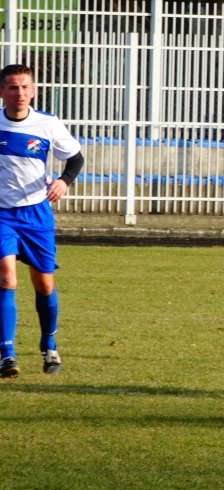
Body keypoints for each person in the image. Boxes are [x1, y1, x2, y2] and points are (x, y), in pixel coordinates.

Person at [0, 64, 85, 378]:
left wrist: (64, 181)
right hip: (2, 215)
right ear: (1, 92)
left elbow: (75, 157)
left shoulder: (47, 124)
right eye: (12, 87)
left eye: (24, 86)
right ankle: (6, 354)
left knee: (44, 284)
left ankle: (49, 345)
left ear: (33, 90)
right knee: (6, 277)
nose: (19, 93)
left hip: (36, 214)